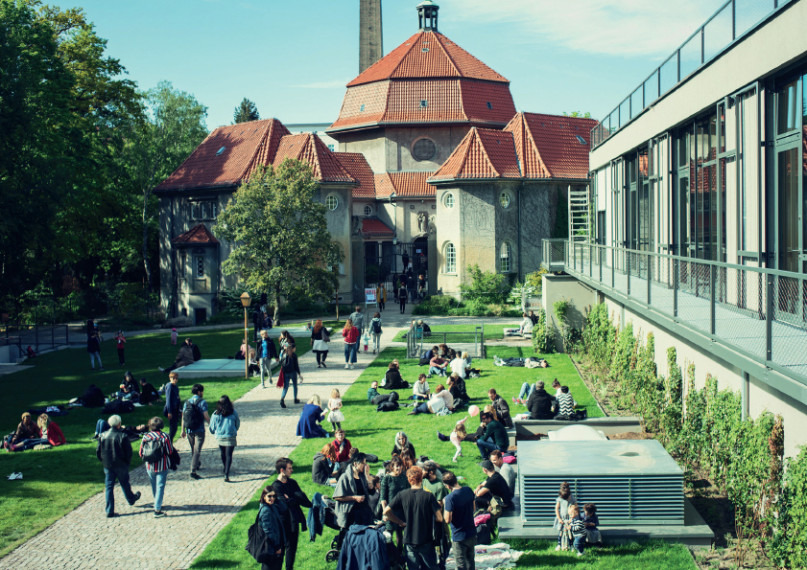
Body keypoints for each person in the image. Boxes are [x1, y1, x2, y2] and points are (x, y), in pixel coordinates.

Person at [384, 466, 443, 570]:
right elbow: (440, 518)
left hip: (409, 539)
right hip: (426, 539)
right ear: (421, 478)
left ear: (408, 479)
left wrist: (399, 522)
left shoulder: (402, 495)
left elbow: (386, 511)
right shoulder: (428, 496)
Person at [96, 414, 141, 517]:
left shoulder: (102, 435)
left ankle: (109, 510)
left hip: (108, 465)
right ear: (119, 424)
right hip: (121, 464)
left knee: (109, 487)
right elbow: (128, 452)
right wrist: (126, 462)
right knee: (125, 483)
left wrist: (103, 461)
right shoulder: (123, 436)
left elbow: (98, 451)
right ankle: (131, 499)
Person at [272, 458, 312, 570]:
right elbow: (284, 505)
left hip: (293, 521)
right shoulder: (276, 486)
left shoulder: (292, 483)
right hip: (282, 522)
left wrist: (292, 499)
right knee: (281, 550)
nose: (292, 470)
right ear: (282, 470)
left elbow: (304, 500)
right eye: (289, 468)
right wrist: (294, 499)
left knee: (292, 549)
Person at [139, 416, 174, 517]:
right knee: (160, 486)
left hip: (150, 465)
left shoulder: (146, 436)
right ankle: (157, 509)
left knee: (154, 485)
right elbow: (169, 451)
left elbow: (141, 452)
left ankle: (157, 502)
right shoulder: (164, 436)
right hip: (162, 464)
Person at [443, 470, 476, 570]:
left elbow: (447, 519)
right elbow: (474, 509)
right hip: (471, 532)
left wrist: (445, 504)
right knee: (470, 561)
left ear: (448, 486)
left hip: (459, 535)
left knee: (461, 565)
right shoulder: (468, 490)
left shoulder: (450, 498)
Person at [334, 453, 374, 535]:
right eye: (363, 463)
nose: (365, 465)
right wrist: (354, 498)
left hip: (364, 511)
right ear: (355, 464)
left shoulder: (362, 476)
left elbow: (371, 491)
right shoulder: (345, 477)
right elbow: (337, 496)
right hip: (351, 512)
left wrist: (367, 475)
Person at [380, 456, 410, 550]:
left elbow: (409, 491)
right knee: (388, 534)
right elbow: (383, 498)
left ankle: (400, 555)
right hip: (390, 510)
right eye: (397, 466)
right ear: (392, 466)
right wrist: (385, 513)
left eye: (400, 466)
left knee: (400, 535)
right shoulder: (387, 478)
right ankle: (390, 556)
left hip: (401, 510)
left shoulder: (404, 477)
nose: (398, 468)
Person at [182, 383, 210, 480]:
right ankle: (193, 470)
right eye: (202, 391)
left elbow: (183, 417)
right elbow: (206, 416)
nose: (202, 393)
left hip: (189, 429)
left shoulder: (187, 402)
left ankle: (197, 463)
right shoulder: (202, 402)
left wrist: (183, 430)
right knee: (197, 449)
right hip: (199, 429)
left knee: (193, 449)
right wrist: (212, 425)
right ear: (199, 392)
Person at [209, 395, 240, 482]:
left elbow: (212, 426)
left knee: (223, 453)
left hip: (220, 437)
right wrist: (234, 429)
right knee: (229, 455)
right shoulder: (233, 412)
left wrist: (213, 432)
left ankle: (225, 467)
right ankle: (226, 472)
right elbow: (237, 423)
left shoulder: (216, 414)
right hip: (230, 436)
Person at [257, 485, 287, 570]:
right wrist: (277, 547)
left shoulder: (271, 506)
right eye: (269, 496)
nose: (272, 498)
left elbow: (284, 509)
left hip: (277, 544)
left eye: (274, 496)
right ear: (264, 496)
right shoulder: (266, 510)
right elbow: (268, 532)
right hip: (272, 548)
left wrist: (277, 499)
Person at [554, 481, 577, 551]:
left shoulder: (572, 497)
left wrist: (572, 518)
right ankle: (559, 544)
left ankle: (571, 545)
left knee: (570, 532)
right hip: (562, 518)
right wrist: (559, 518)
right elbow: (557, 509)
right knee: (561, 532)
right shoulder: (559, 499)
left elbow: (576, 508)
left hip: (570, 518)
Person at [163, 371, 181, 440]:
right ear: (170, 378)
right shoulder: (169, 386)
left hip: (176, 409)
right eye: (173, 378)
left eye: (176, 378)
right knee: (172, 428)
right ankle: (169, 444)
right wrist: (169, 412)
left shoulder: (175, 386)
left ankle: (170, 443)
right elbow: (168, 400)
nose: (175, 380)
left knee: (174, 428)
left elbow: (178, 398)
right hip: (171, 410)